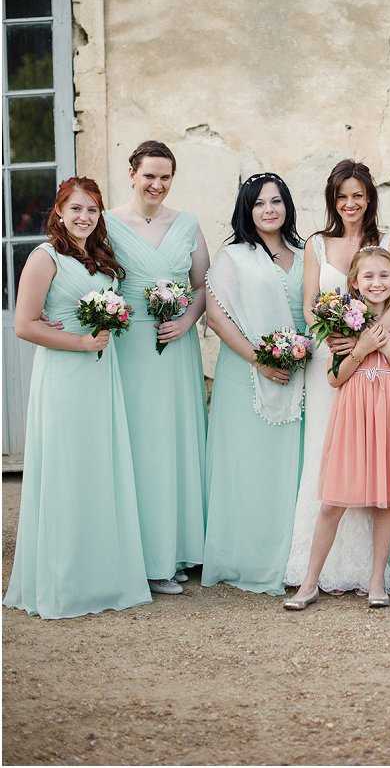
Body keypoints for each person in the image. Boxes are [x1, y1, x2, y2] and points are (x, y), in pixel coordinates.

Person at [3, 177, 151, 619]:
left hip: (102, 376)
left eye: (92, 210)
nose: (84, 217)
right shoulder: (44, 257)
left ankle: (103, 575)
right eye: (77, 209)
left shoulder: (102, 260)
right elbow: (25, 325)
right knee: (67, 469)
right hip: (66, 374)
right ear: (60, 212)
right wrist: (82, 343)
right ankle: (66, 581)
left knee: (98, 467)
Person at [284, 160, 390, 595]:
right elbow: (308, 305)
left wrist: (371, 336)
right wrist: (337, 333)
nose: (350, 203)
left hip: (375, 351)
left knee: (374, 455)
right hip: (333, 353)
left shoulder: (386, 242)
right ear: (332, 200)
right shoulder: (317, 244)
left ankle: (367, 570)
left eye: (358, 195)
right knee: (329, 457)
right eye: (342, 196)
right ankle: (313, 571)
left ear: (370, 198)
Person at [104, 141, 209, 595]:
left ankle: (177, 549)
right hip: (130, 348)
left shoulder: (187, 224)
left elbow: (204, 284)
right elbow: (89, 276)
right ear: (132, 173)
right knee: (140, 444)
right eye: (149, 175)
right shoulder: (106, 224)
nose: (157, 184)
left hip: (176, 344)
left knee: (175, 440)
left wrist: (187, 320)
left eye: (165, 177)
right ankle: (144, 556)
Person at [201, 173, 305, 595]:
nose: (269, 210)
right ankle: (246, 556)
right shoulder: (234, 257)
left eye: (276, 202)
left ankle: (290, 557)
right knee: (248, 463)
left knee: (288, 466)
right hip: (245, 374)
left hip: (297, 372)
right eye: (260, 203)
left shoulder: (303, 253)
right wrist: (258, 359)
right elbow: (216, 315)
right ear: (247, 209)